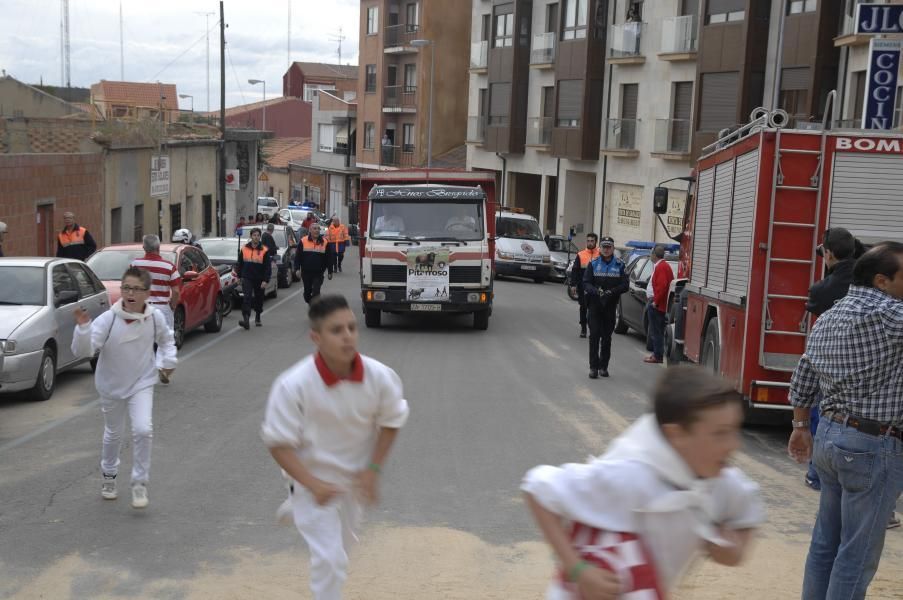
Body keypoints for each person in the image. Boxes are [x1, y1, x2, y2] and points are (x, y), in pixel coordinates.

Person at [522, 366, 764, 599]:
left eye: (735, 430)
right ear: (676, 434)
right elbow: (537, 487)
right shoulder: (629, 477)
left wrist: (733, 550)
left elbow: (745, 513)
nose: (734, 445)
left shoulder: (721, 480)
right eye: (720, 433)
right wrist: (578, 570)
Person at [261, 295, 409, 600]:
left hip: (353, 482)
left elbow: (392, 420)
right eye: (336, 330)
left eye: (352, 327)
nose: (348, 336)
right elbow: (278, 444)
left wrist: (373, 470)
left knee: (342, 549)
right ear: (316, 337)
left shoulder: (379, 377)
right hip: (311, 480)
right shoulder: (293, 385)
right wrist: (313, 485)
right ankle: (297, 501)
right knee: (331, 560)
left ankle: (296, 509)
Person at [788, 242, 903, 600]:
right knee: (856, 554)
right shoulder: (891, 316)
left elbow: (803, 376)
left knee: (825, 544)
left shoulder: (831, 315)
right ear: (882, 281)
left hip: (830, 437)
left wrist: (801, 427)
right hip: (873, 446)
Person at [71, 267, 177, 510]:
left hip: (141, 382)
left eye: (136, 289)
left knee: (143, 429)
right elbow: (84, 351)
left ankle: (140, 482)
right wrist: (84, 329)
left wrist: (167, 363)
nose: (130, 293)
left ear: (146, 293)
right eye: (126, 287)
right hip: (111, 384)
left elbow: (166, 341)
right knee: (114, 433)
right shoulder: (109, 319)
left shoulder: (155, 318)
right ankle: (109, 477)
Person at [802, 227, 862, 491]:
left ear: (827, 254)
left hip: (830, 366)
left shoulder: (822, 290)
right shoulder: (873, 280)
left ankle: (817, 473)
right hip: (868, 369)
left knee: (823, 416)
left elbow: (817, 309)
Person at [130, 235, 181, 382]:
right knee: (165, 340)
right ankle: (161, 367)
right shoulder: (169, 266)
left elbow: (130, 285)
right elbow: (176, 291)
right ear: (158, 247)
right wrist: (172, 305)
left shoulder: (135, 265)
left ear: (144, 248)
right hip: (162, 307)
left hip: (141, 307)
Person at [583, 236, 628, 379]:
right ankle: (593, 368)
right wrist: (596, 291)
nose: (606, 249)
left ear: (613, 249)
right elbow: (586, 283)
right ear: (600, 248)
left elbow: (625, 285)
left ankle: (603, 367)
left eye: (609, 247)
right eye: (604, 247)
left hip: (610, 306)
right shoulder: (593, 263)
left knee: (607, 338)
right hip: (595, 304)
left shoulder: (620, 265)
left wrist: (612, 292)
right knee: (594, 336)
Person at [234, 227, 271, 330]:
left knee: (259, 299)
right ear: (251, 236)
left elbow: (267, 267)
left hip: (260, 279)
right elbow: (240, 264)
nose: (256, 237)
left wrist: (265, 280)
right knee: (247, 298)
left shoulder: (264, 250)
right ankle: (246, 319)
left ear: (260, 237)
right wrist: (239, 276)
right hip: (247, 278)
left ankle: (258, 316)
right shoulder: (244, 248)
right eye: (254, 235)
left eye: (258, 235)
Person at [645, 245, 675, 364]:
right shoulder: (663, 266)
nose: (650, 256)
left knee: (656, 331)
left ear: (654, 255)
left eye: (651, 253)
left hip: (657, 305)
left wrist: (656, 302)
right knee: (656, 330)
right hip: (658, 303)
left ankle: (657, 355)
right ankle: (657, 354)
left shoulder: (661, 267)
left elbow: (662, 286)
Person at [568, 233, 600, 339]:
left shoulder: (600, 254)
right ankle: (583, 329)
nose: (590, 243)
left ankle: (593, 329)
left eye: (592, 241)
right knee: (583, 308)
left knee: (594, 309)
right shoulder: (581, 254)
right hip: (583, 287)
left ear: (596, 242)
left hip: (595, 287)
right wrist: (573, 285)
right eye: (588, 241)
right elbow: (575, 271)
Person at [293, 222, 329, 304]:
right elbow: (298, 257)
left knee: (316, 291)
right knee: (307, 294)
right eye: (314, 228)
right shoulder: (303, 241)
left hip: (318, 273)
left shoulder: (325, 242)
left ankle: (315, 307)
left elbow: (328, 257)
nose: (317, 230)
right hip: (306, 273)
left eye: (318, 229)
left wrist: (329, 271)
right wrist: (297, 269)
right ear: (310, 230)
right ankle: (310, 301)